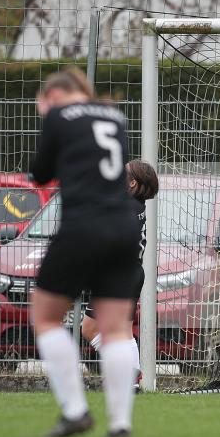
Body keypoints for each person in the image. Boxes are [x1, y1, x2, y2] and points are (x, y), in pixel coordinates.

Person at [30, 67, 141, 437]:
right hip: (124, 227)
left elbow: (40, 174)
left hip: (83, 224)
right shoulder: (115, 115)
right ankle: (121, 423)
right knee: (114, 329)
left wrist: (52, 130)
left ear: (54, 96)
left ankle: (76, 412)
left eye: (41, 106)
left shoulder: (59, 116)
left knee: (45, 317)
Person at [81, 160, 159, 391]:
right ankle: (130, 378)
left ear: (132, 182)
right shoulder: (134, 205)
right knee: (121, 331)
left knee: (90, 328)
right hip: (130, 274)